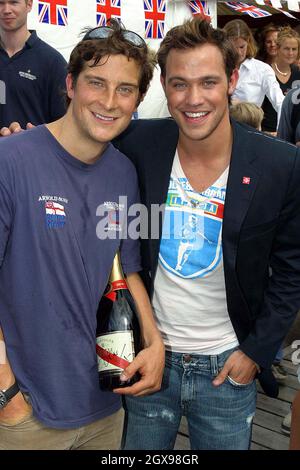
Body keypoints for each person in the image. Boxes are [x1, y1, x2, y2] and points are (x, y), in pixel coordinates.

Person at [114, 17, 300, 450]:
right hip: (149, 355)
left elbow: (292, 269)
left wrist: (256, 352)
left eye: (209, 82)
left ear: (233, 79)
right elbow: (76, 146)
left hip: (227, 368)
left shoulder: (278, 165)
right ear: (163, 84)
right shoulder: (138, 143)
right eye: (179, 84)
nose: (193, 99)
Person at [0, 20, 164, 450]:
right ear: (71, 84)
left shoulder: (124, 172)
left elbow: (127, 266)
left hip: (105, 403)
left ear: (139, 99)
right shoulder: (11, 160)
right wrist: (6, 390)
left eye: (125, 89)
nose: (109, 102)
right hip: (27, 411)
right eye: (96, 83)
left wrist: (155, 341)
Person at [0, 0, 67, 132]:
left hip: (32, 151)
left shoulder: (53, 62)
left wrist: (34, 140)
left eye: (14, 2)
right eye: (1, 3)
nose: (6, 9)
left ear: (29, 5)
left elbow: (64, 127)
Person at [223, 20, 283, 120]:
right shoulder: (218, 67)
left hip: (250, 129)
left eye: (242, 47)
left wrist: (283, 131)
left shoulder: (262, 70)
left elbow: (280, 103)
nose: (238, 52)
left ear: (249, 42)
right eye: (233, 47)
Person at [261, 27, 300, 135]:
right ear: (278, 48)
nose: (291, 53)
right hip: (268, 134)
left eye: (294, 49)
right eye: (287, 48)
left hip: (292, 136)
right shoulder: (264, 71)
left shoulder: (298, 73)